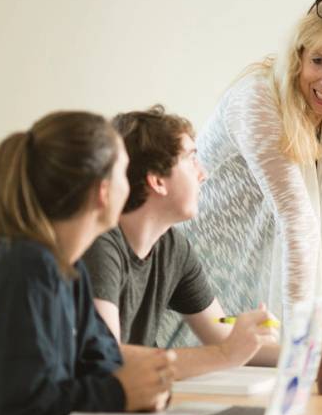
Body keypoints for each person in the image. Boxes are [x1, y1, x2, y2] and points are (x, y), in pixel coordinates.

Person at [162, 0, 322, 346]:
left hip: (255, 284)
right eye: (319, 61)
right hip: (192, 279)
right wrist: (301, 347)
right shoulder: (257, 99)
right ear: (297, 55)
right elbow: (298, 223)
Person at [0, 111, 175, 415]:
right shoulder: (27, 266)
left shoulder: (66, 268)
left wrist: (143, 387)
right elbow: (17, 407)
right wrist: (121, 393)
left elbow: (102, 363)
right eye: (124, 172)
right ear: (103, 191)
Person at [82, 106, 279, 381]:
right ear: (158, 181)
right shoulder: (99, 246)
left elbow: (223, 336)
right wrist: (226, 354)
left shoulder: (173, 246)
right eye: (191, 159)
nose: (203, 174)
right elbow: (108, 359)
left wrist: (313, 353)